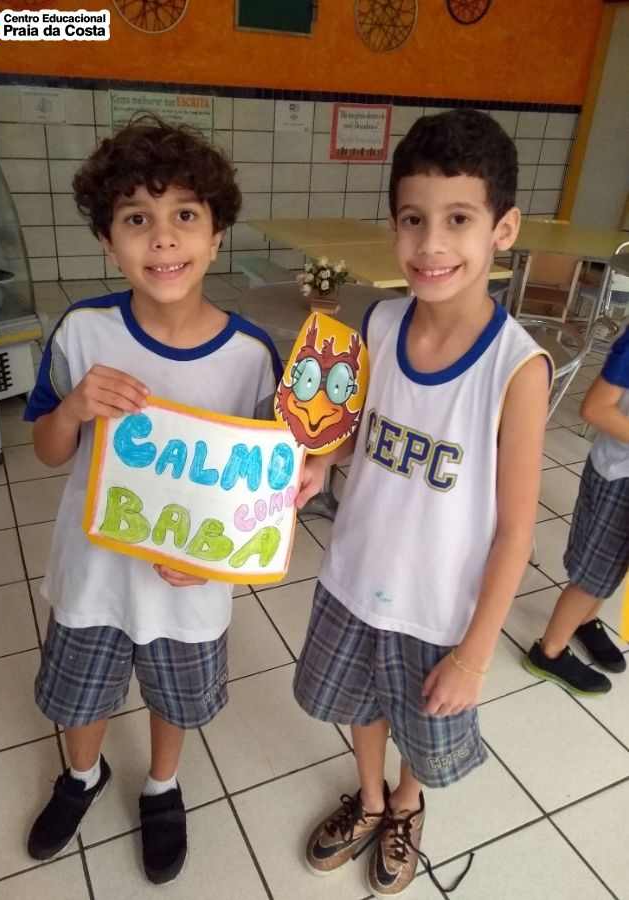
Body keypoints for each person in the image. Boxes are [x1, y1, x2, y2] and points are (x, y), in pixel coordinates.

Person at [292, 109, 551, 897]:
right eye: (413, 219)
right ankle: (369, 798)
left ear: (502, 229)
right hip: (353, 576)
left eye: (458, 219)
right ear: (394, 224)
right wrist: (321, 461)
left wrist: (473, 654)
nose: (430, 244)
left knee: (422, 722)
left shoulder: (516, 369)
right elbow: (360, 433)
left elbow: (515, 530)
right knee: (358, 701)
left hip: (438, 608)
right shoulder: (379, 322)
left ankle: (406, 805)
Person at [23, 118, 282, 885]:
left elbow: (265, 493)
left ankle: (161, 786)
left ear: (217, 234)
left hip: (189, 583)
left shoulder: (251, 357)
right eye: (136, 219)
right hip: (93, 573)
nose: (163, 238)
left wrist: (219, 561)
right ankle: (82, 775)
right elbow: (46, 450)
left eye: (184, 215)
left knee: (176, 696)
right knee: (80, 695)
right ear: (109, 242)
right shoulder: (83, 332)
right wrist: (74, 408)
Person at [524, 329, 629, 695]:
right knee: (592, 576)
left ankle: (586, 621)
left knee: (615, 567)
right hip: (618, 476)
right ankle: (549, 652)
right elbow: (595, 408)